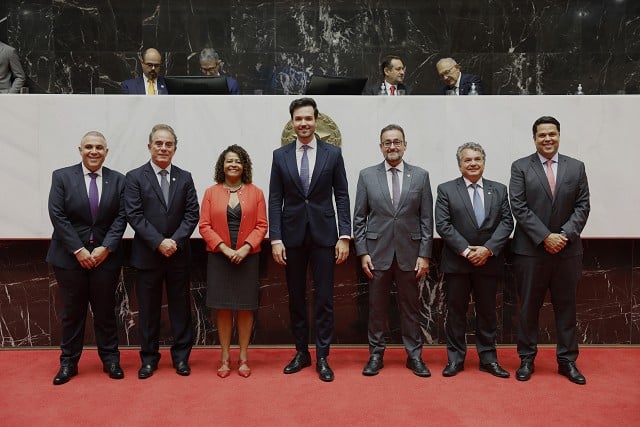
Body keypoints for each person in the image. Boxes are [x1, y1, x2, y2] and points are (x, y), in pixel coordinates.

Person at [269, 97, 351, 382]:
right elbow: (275, 198)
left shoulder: (333, 154)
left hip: (325, 236)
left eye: (308, 119)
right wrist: (275, 238)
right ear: (292, 123)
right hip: (291, 238)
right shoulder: (280, 156)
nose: (303, 123)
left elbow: (341, 194)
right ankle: (301, 352)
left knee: (325, 299)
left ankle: (323, 357)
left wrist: (344, 235)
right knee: (295, 298)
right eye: (298, 119)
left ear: (316, 121)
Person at [509, 116, 590, 384]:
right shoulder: (520, 167)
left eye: (552, 134)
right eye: (542, 135)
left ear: (559, 135)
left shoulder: (576, 167)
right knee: (528, 308)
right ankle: (526, 359)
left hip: (567, 251)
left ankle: (567, 361)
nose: (547, 139)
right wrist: (545, 237)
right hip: (531, 251)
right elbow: (518, 206)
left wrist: (563, 235)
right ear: (534, 138)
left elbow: (583, 206)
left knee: (566, 308)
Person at [47, 131, 127, 385]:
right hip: (70, 258)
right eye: (89, 147)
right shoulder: (61, 177)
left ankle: (111, 360)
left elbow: (122, 217)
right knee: (72, 312)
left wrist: (105, 248)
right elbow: (57, 215)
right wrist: (78, 250)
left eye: (99, 147)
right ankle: (68, 362)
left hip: (105, 257)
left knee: (105, 311)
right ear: (79, 150)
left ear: (106, 151)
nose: (94, 151)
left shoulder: (118, 180)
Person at [353, 124, 433, 377]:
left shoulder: (420, 176)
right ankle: (376, 354)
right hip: (376, 254)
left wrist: (425, 254)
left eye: (397, 142)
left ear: (405, 145)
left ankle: (414, 356)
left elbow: (426, 219)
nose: (392, 146)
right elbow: (359, 218)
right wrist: (363, 252)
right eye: (387, 142)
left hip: (411, 253)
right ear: (380, 147)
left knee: (410, 307)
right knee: (376, 308)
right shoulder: (367, 175)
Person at [124, 124, 199, 379]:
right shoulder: (134, 177)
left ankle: (181, 358)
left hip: (178, 255)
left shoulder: (185, 177)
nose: (163, 148)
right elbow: (134, 215)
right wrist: (159, 242)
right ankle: (148, 359)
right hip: (148, 255)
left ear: (175, 149)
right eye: (159, 143)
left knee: (181, 309)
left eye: (168, 144)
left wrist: (174, 241)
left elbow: (192, 214)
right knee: (148, 311)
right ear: (149, 146)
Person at [435, 142, 513, 378]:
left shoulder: (498, 189)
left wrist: (487, 250)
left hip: (488, 262)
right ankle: (455, 359)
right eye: (467, 160)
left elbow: (507, 222)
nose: (473, 163)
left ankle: (488, 359)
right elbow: (443, 225)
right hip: (458, 263)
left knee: (488, 312)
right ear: (459, 164)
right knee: (456, 312)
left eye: (477, 159)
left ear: (484, 162)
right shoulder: (446, 189)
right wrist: (468, 251)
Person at [199, 145, 267, 378]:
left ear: (244, 165)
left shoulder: (256, 192)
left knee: (246, 308)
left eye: (237, 161)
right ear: (222, 165)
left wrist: (245, 248)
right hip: (220, 257)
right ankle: (225, 356)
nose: (233, 164)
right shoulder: (211, 192)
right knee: (224, 308)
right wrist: (226, 249)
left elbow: (262, 225)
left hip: (248, 257)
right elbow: (204, 225)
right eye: (229, 161)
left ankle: (244, 357)